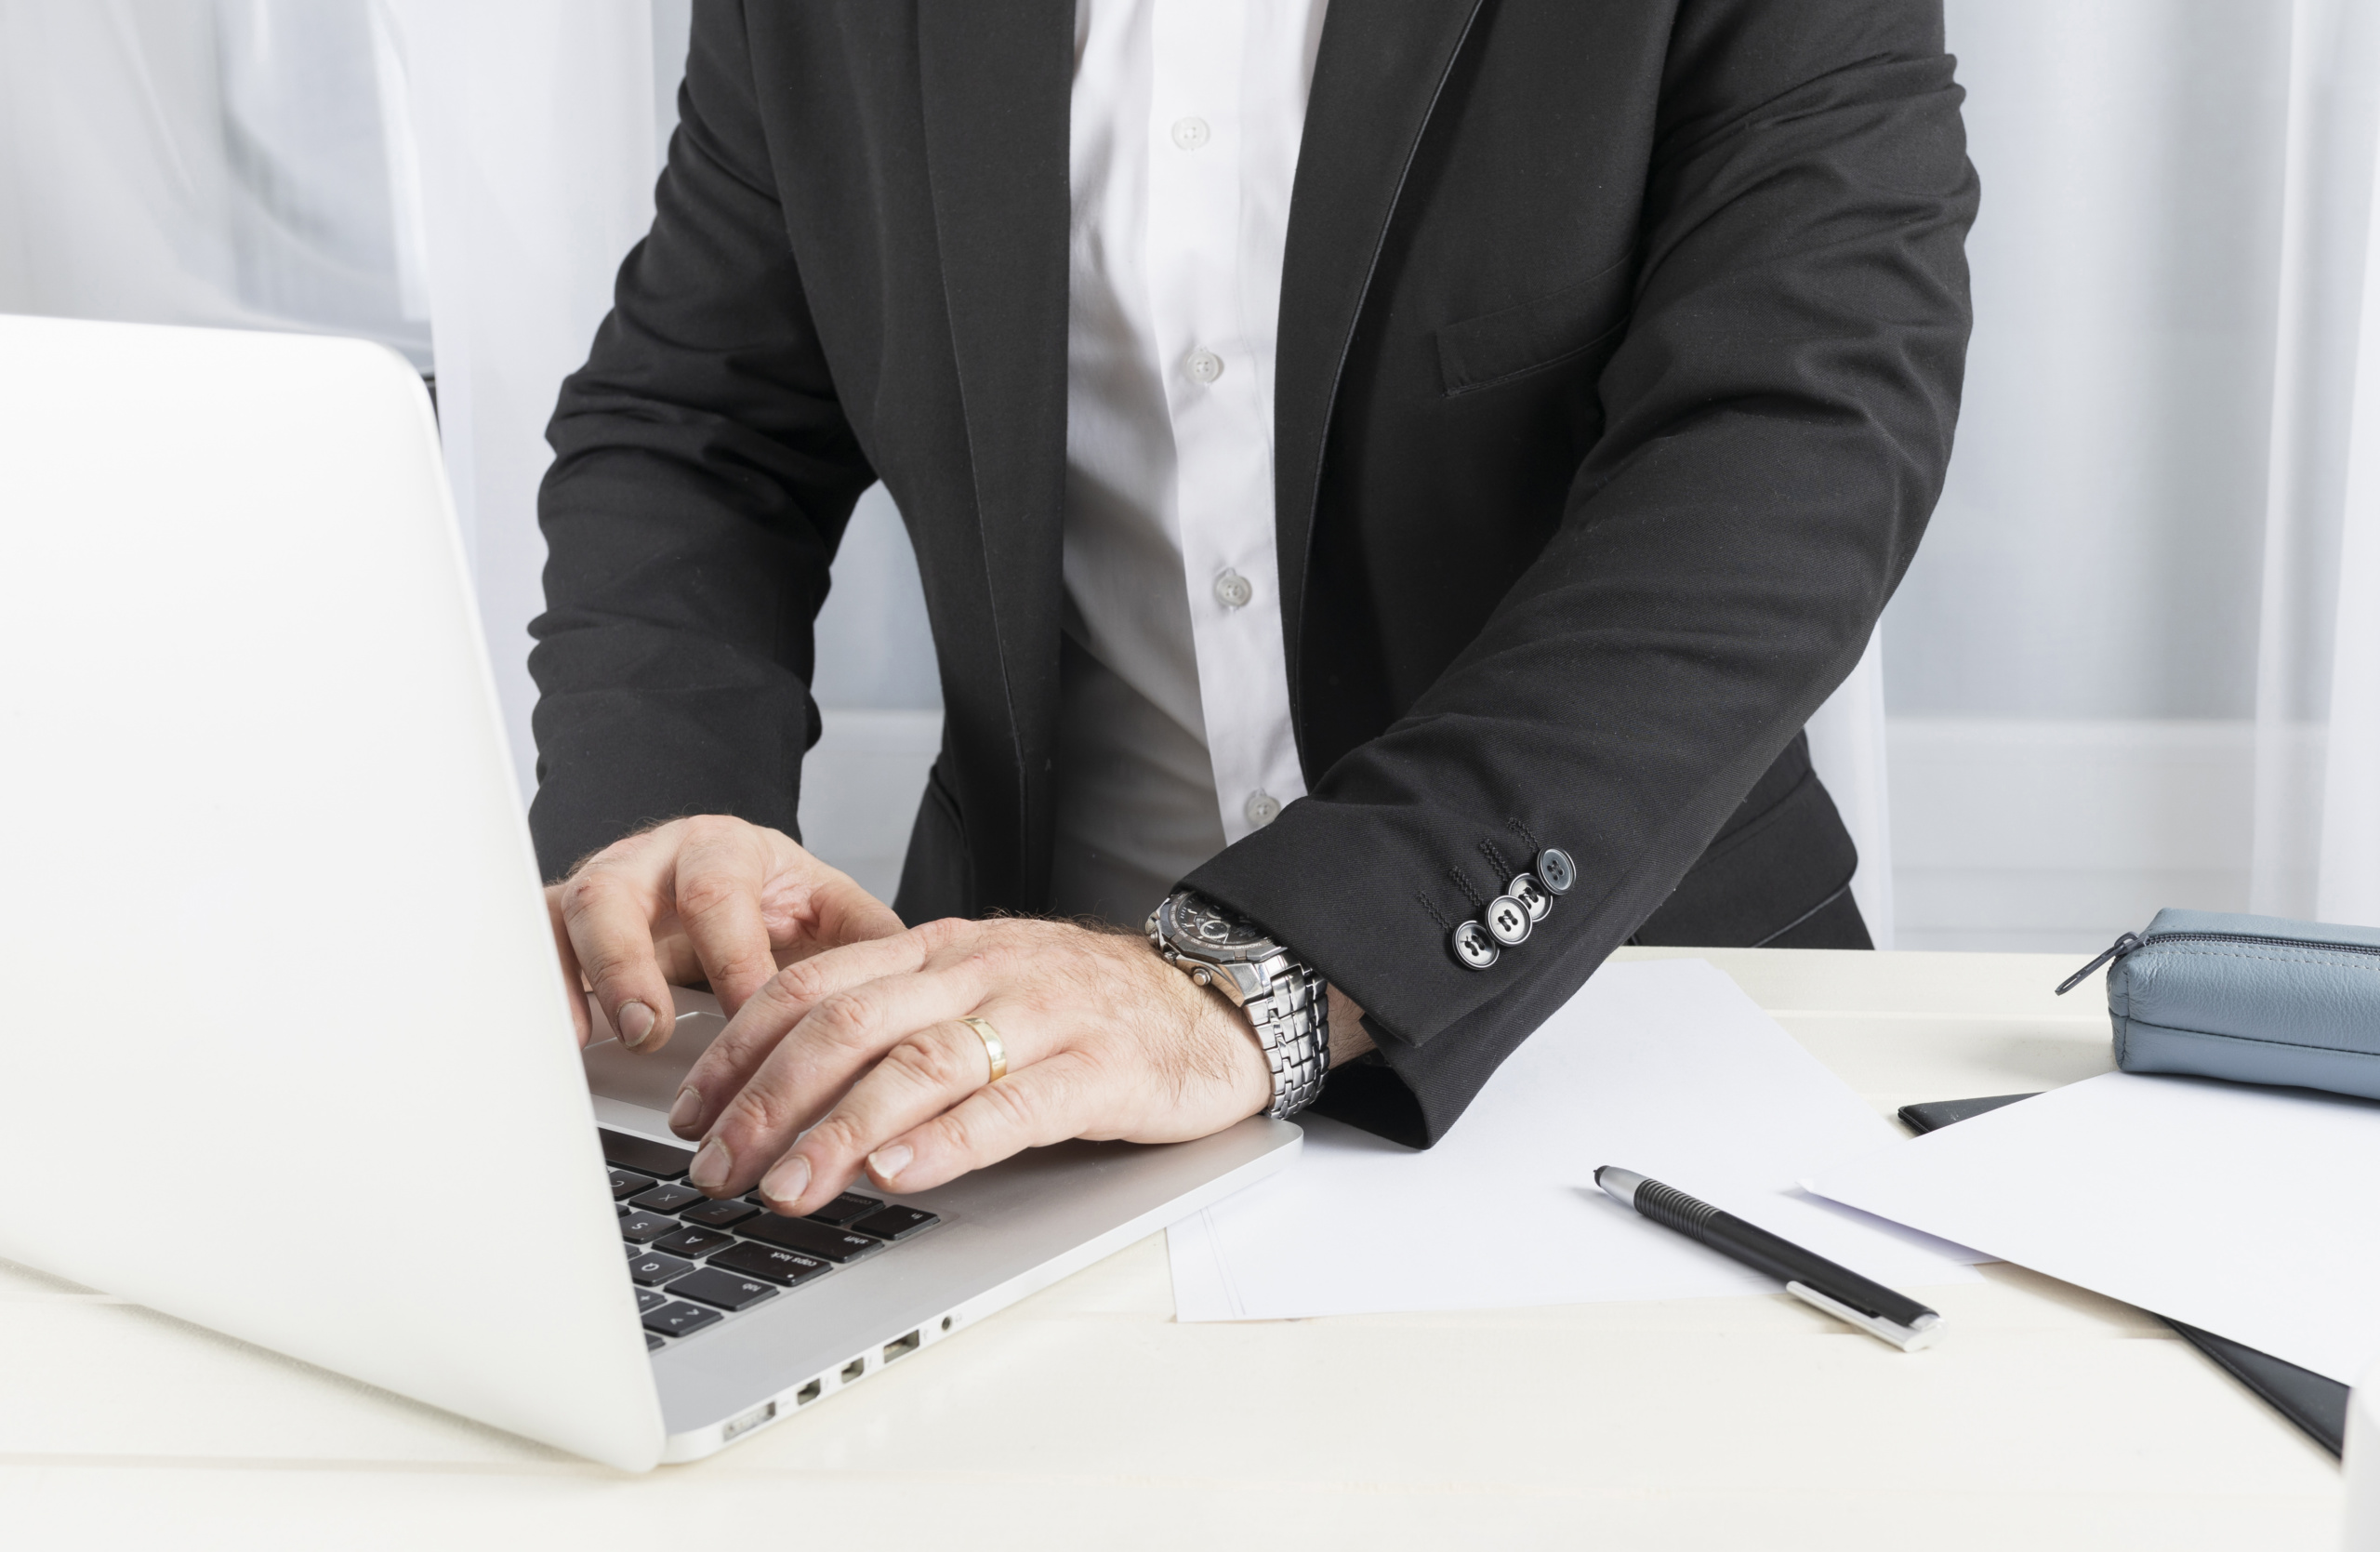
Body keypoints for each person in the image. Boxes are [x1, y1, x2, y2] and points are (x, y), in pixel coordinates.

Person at [528, 0, 1976, 1218]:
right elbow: (698, 425)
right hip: (1016, 1081)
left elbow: (1794, 447)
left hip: (1613, 1025)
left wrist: (1261, 975)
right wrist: (665, 826)